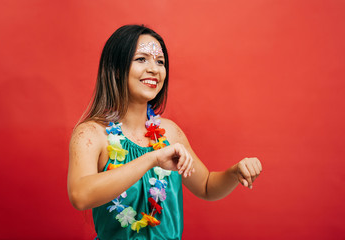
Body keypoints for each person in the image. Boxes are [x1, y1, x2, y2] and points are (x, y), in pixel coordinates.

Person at [67, 25, 262, 240]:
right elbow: (80, 196)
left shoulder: (169, 133)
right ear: (115, 68)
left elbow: (206, 187)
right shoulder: (91, 134)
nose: (154, 69)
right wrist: (152, 159)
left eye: (160, 62)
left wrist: (235, 173)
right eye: (141, 59)